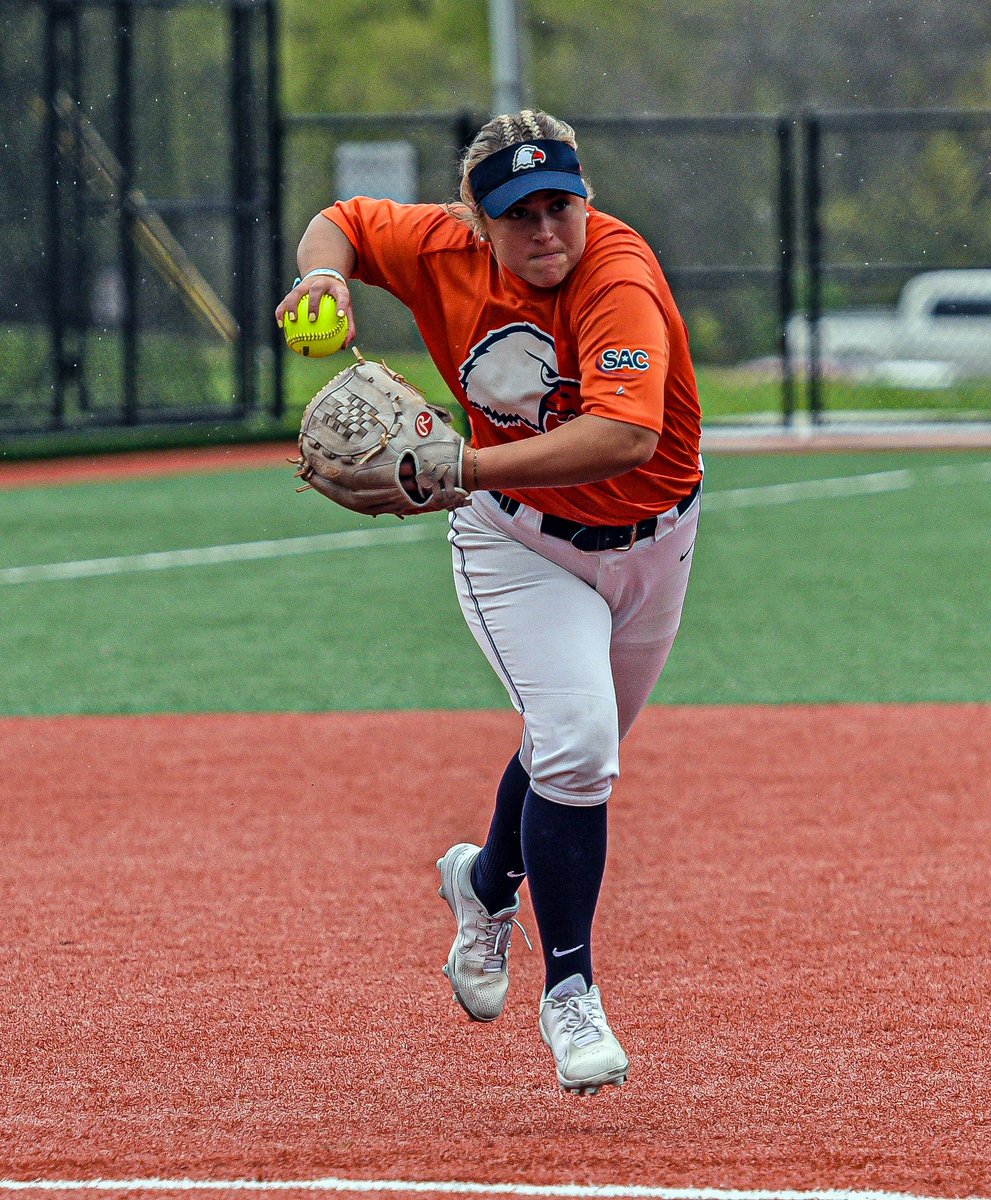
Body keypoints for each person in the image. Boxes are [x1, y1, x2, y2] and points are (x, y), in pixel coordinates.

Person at [275, 110, 702, 1096]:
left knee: (570, 755)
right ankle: (570, 993)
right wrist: (327, 279)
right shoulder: (438, 247)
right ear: (476, 217)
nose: (547, 231)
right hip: (517, 542)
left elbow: (624, 439)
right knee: (582, 743)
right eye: (520, 215)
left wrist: (456, 463)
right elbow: (337, 218)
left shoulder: (618, 277)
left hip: (655, 545)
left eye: (561, 206)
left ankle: (482, 883)